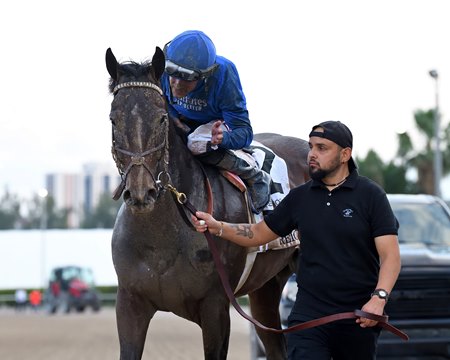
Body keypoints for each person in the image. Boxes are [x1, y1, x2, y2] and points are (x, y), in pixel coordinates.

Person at [192, 120, 401, 359]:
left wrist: (379, 298)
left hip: (357, 317)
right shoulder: (300, 197)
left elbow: (390, 257)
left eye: (322, 148)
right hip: (308, 318)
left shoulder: (371, 196)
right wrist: (218, 227)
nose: (312, 154)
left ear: (345, 154)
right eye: (311, 147)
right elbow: (259, 233)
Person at [160, 30, 271, 213]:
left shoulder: (225, 74)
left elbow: (244, 132)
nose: (177, 83)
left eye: (188, 77)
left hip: (214, 126)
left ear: (205, 75)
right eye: (172, 72)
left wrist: (223, 139)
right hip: (181, 123)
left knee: (195, 143)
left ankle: (255, 176)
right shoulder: (162, 68)